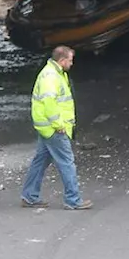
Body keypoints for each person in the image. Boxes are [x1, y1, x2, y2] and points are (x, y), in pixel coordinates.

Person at [20, 46, 94, 210]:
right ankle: (72, 199)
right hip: (55, 129)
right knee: (67, 163)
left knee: (40, 161)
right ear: (62, 60)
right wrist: (59, 124)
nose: (72, 64)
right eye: (70, 60)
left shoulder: (54, 74)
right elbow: (50, 103)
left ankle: (30, 195)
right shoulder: (51, 77)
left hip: (46, 128)